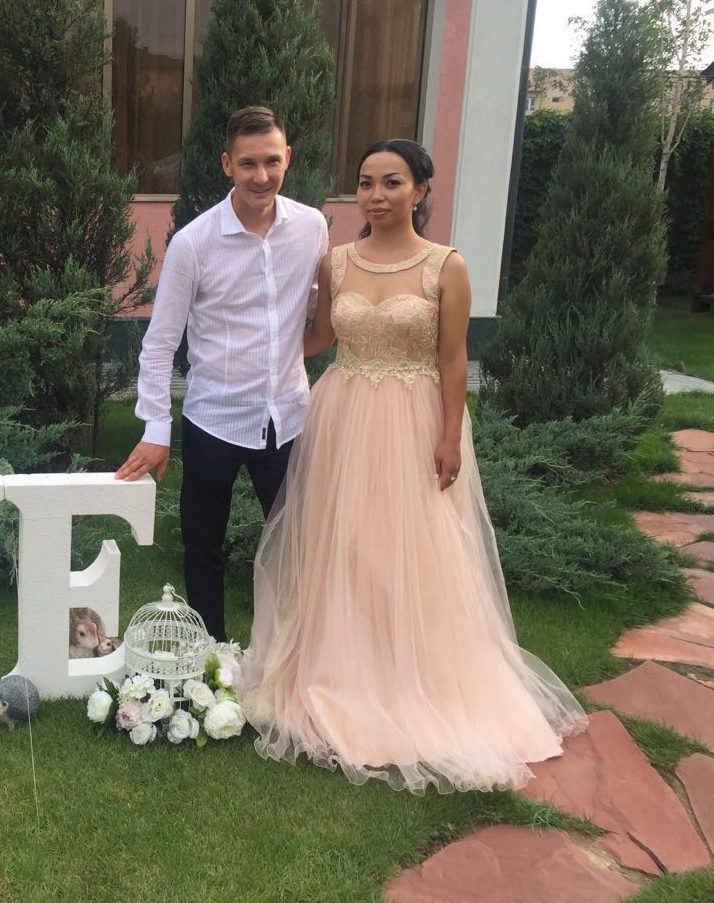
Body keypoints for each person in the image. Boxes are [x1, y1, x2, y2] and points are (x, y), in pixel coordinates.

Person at [238, 139, 587, 794]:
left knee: (414, 546)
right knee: (345, 545)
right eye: (366, 182)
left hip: (413, 420)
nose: (376, 195)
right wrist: (246, 346)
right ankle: (343, 667)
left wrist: (450, 435)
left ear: (420, 190)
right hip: (342, 416)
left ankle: (415, 678)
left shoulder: (445, 266)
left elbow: (453, 359)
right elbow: (319, 338)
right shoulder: (336, 262)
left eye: (392, 182)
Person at [115, 106, 328, 643]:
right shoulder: (194, 242)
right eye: (248, 163)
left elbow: (315, 308)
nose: (262, 176)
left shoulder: (311, 227)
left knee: (297, 549)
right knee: (203, 547)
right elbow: (160, 343)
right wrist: (156, 428)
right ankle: (208, 659)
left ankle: (293, 655)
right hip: (214, 419)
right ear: (227, 164)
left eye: (272, 161)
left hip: (288, 417)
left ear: (288, 158)